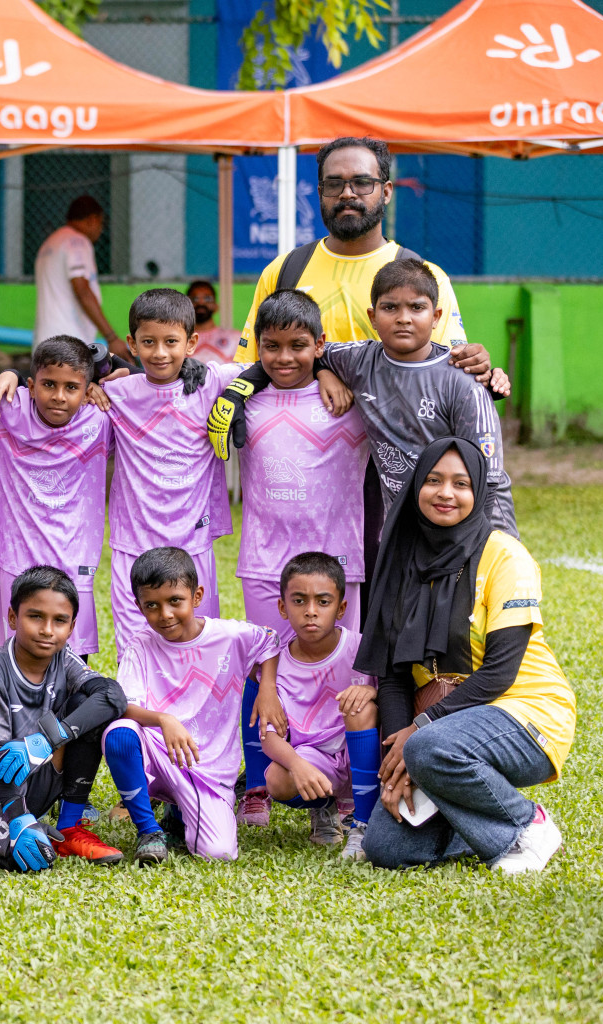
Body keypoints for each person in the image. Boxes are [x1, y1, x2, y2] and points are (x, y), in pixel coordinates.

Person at [357, 439, 574, 873]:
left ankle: (529, 823)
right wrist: (398, 753)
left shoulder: (505, 556)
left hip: (525, 712)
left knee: (431, 748)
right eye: (433, 480)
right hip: (440, 731)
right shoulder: (402, 560)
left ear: (478, 493)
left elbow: (500, 671)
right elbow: (397, 676)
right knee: (387, 847)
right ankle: (491, 832)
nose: (445, 493)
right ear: (416, 486)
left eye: (461, 483)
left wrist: (418, 733)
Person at [213, 266, 517, 535]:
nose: (403, 319)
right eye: (390, 308)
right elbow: (299, 352)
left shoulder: (463, 380)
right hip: (400, 534)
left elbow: (489, 478)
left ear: (436, 316)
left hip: (463, 531)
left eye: (416, 307)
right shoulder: (359, 360)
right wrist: (321, 373)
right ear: (372, 316)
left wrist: (492, 546)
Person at [226, 290, 368, 827]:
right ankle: (260, 783)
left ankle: (336, 799)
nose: (285, 358)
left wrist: (332, 369)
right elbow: (174, 362)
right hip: (265, 567)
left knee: (342, 682)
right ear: (257, 347)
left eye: (299, 347)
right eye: (272, 347)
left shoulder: (349, 402)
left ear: (320, 345)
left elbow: (396, 366)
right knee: (264, 680)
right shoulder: (241, 395)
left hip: (338, 568)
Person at [102, 547, 281, 864]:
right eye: (152, 606)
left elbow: (269, 638)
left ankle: (178, 813)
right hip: (159, 752)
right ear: (139, 606)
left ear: (197, 596)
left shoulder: (229, 635)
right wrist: (164, 719)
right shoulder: (141, 644)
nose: (165, 614)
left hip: (207, 769)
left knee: (219, 854)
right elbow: (124, 705)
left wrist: (266, 687)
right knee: (119, 732)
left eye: (175, 601)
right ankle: (149, 831)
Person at [96, 290, 245, 655]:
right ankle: (140, 713)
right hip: (134, 543)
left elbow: (267, 365)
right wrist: (91, 382)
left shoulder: (212, 381)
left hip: (192, 543)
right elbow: (73, 365)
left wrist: (325, 374)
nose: (160, 352)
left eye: (171, 342)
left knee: (200, 645)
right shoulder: (116, 392)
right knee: (134, 648)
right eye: (148, 342)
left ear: (192, 343)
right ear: (132, 344)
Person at [236, 137, 467, 361]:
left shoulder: (428, 277)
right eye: (334, 184)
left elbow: (448, 373)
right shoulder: (282, 271)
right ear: (320, 193)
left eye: (362, 183)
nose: (347, 193)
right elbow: (249, 367)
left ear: (386, 192)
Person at [0, 566, 129, 872]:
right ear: (13, 617)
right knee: (32, 861)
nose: (48, 630)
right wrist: (19, 819)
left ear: (72, 626)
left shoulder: (63, 658)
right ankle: (27, 825)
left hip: (35, 783)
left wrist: (47, 739)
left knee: (87, 706)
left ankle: (69, 828)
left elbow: (113, 696)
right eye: (35, 616)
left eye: (59, 620)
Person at [0, 336, 112, 657]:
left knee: (72, 658)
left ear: (87, 389)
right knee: (15, 655)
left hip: (75, 559)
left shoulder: (102, 418)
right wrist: (4, 374)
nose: (59, 397)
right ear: (31, 385)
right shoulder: (4, 407)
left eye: (72, 388)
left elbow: (151, 383)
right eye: (48, 384)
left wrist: (106, 375)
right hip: (15, 557)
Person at [257, 553, 381, 859]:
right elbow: (269, 735)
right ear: (283, 608)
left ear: (341, 608)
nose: (311, 612)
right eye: (299, 601)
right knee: (276, 778)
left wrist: (372, 693)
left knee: (359, 706)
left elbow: (393, 693)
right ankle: (324, 808)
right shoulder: (277, 668)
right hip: (315, 759)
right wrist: (298, 766)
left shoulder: (361, 647)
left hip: (365, 753)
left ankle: (363, 823)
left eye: (323, 602)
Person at [33, 195, 124, 359]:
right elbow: (82, 290)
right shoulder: (77, 242)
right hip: (68, 344)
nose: (100, 230)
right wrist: (111, 337)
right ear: (93, 219)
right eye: (101, 223)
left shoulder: (50, 243)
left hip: (44, 343)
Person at [185, 280, 240, 365]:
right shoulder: (179, 339)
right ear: (186, 306)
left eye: (207, 298)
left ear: (216, 306)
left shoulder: (236, 338)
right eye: (195, 298)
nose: (201, 302)